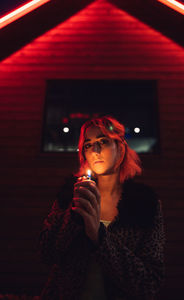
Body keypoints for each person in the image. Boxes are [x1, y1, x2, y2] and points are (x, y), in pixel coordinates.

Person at [38, 115, 166, 300]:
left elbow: (149, 284)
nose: (95, 150)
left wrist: (99, 236)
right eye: (88, 144)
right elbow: (47, 254)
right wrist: (73, 216)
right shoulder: (69, 196)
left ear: (120, 149)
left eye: (103, 141)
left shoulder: (144, 205)